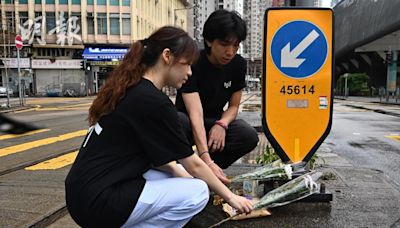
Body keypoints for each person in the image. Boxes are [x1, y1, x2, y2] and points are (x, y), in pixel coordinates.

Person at [65, 26, 253, 228]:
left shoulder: (131, 88)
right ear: (167, 56)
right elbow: (194, 164)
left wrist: (180, 173)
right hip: (98, 202)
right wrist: (232, 198)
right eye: (186, 64)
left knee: (176, 174)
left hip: (82, 194)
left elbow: (159, 158)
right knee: (197, 191)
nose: (189, 72)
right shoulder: (153, 101)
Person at [175, 10, 259, 184]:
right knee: (175, 121)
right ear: (209, 41)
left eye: (236, 45)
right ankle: (181, 170)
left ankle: (210, 172)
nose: (230, 52)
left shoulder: (238, 64)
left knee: (247, 135)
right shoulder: (194, 61)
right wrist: (204, 156)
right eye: (224, 44)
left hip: (214, 122)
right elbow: (195, 113)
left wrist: (222, 124)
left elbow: (234, 107)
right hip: (188, 122)